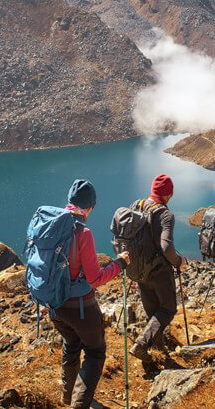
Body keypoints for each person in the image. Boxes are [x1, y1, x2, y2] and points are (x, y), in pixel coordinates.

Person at [51, 179, 130, 408]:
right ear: (89, 207)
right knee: (95, 353)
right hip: (79, 307)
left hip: (54, 304)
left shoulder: (51, 223)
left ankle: (68, 396)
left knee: (71, 343)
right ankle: (79, 405)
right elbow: (95, 279)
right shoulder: (82, 232)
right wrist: (119, 264)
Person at [128, 174, 189, 364]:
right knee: (168, 309)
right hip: (158, 271)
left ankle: (158, 349)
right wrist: (179, 262)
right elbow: (166, 247)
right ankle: (142, 344)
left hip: (138, 270)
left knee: (152, 310)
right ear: (168, 194)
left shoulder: (136, 205)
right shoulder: (165, 214)